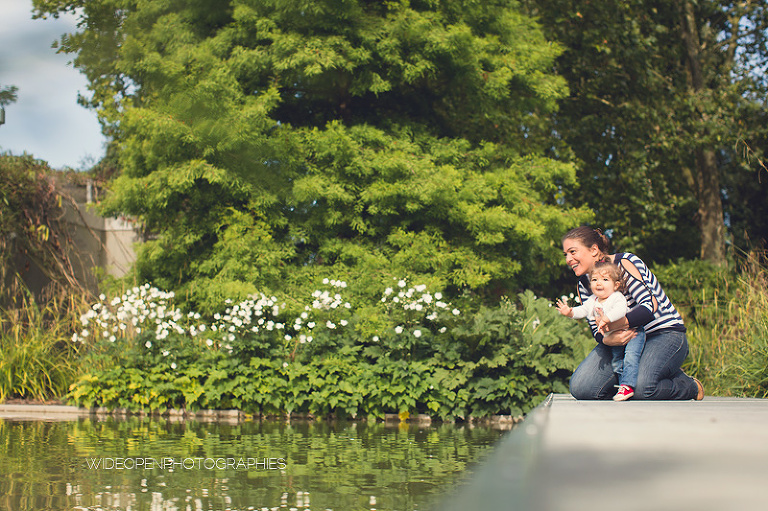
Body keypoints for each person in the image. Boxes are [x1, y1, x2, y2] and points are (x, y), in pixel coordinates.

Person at [560, 226, 704, 400]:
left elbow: (649, 307)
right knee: (581, 387)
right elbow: (595, 328)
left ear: (593, 250)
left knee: (643, 389)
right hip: (622, 343)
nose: (568, 259)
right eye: (565, 254)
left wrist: (616, 324)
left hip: (663, 334)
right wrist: (607, 339)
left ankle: (688, 386)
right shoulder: (583, 284)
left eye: (572, 252)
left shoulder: (625, 262)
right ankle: (630, 386)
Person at [555, 261, 645, 401]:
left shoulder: (617, 297)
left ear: (615, 285)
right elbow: (583, 310)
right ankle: (623, 385)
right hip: (614, 338)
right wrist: (570, 312)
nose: (598, 283)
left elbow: (620, 311)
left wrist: (606, 319)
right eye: (594, 280)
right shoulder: (593, 300)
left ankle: (628, 385)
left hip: (632, 333)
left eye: (605, 279)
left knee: (631, 357)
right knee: (617, 361)